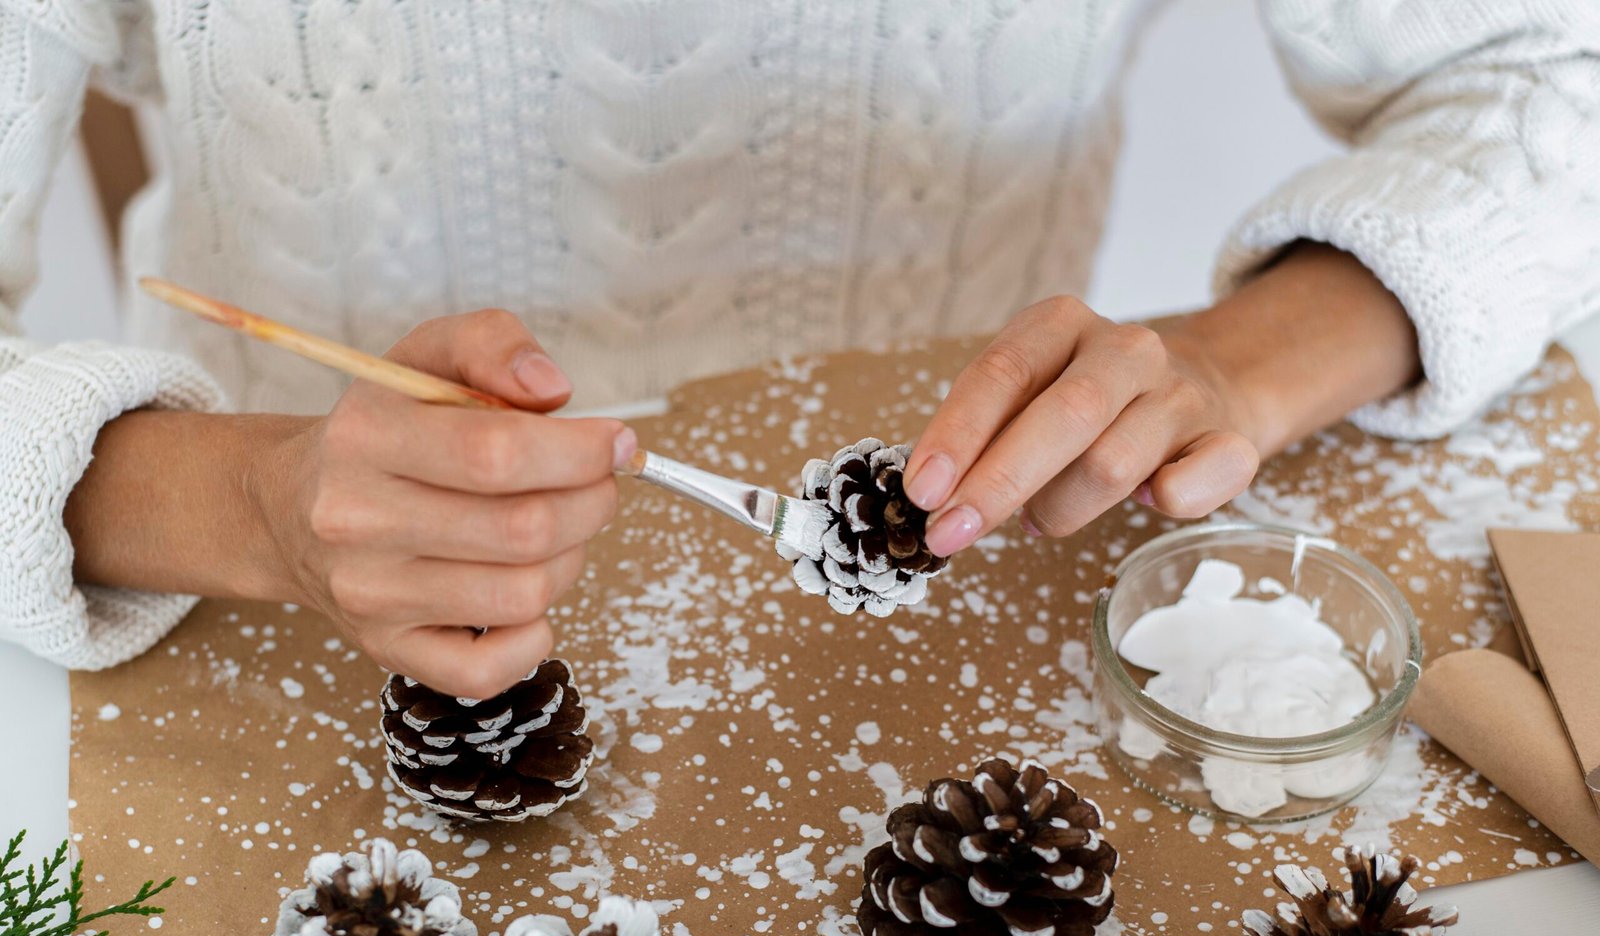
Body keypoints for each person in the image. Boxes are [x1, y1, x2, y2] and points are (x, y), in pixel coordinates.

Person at [2, 3, 1596, 699]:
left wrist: (1247, 357)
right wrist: (238, 502)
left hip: (982, 598)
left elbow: (1555, 63)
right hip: (253, 639)